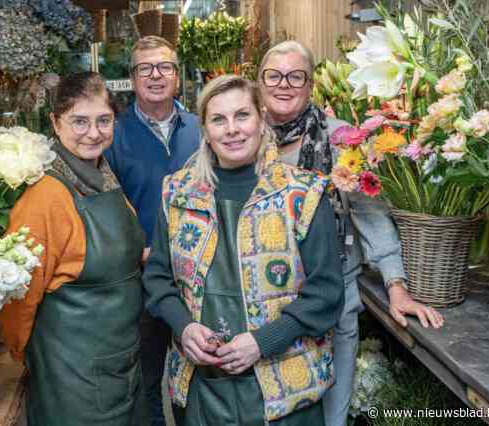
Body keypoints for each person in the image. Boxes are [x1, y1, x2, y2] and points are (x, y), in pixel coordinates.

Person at [258, 40, 445, 426]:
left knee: (332, 414)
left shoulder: (340, 136)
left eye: (296, 76)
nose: (284, 85)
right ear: (259, 82)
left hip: (335, 291)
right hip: (267, 298)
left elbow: (370, 214)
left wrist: (396, 285)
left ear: (311, 85)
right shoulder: (244, 136)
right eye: (273, 75)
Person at [143, 74, 345, 425]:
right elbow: (158, 277)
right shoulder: (177, 194)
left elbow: (326, 293)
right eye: (218, 119)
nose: (232, 129)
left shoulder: (303, 194)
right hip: (201, 392)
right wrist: (183, 326)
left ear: (261, 120)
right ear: (205, 129)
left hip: (285, 392)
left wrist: (262, 341)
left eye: (242, 115)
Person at [0, 72, 145, 426]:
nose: (93, 133)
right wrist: (27, 355)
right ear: (55, 122)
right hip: (71, 378)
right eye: (79, 121)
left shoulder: (103, 177)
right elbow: (18, 298)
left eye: (103, 121)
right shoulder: (46, 195)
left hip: (121, 363)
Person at [104, 35, 201, 426]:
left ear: (177, 75)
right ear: (132, 78)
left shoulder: (202, 128)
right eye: (145, 68)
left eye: (165, 67)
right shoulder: (113, 133)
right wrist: (138, 251)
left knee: (197, 375)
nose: (156, 75)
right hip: (141, 280)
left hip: (199, 280)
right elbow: (108, 210)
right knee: (146, 380)